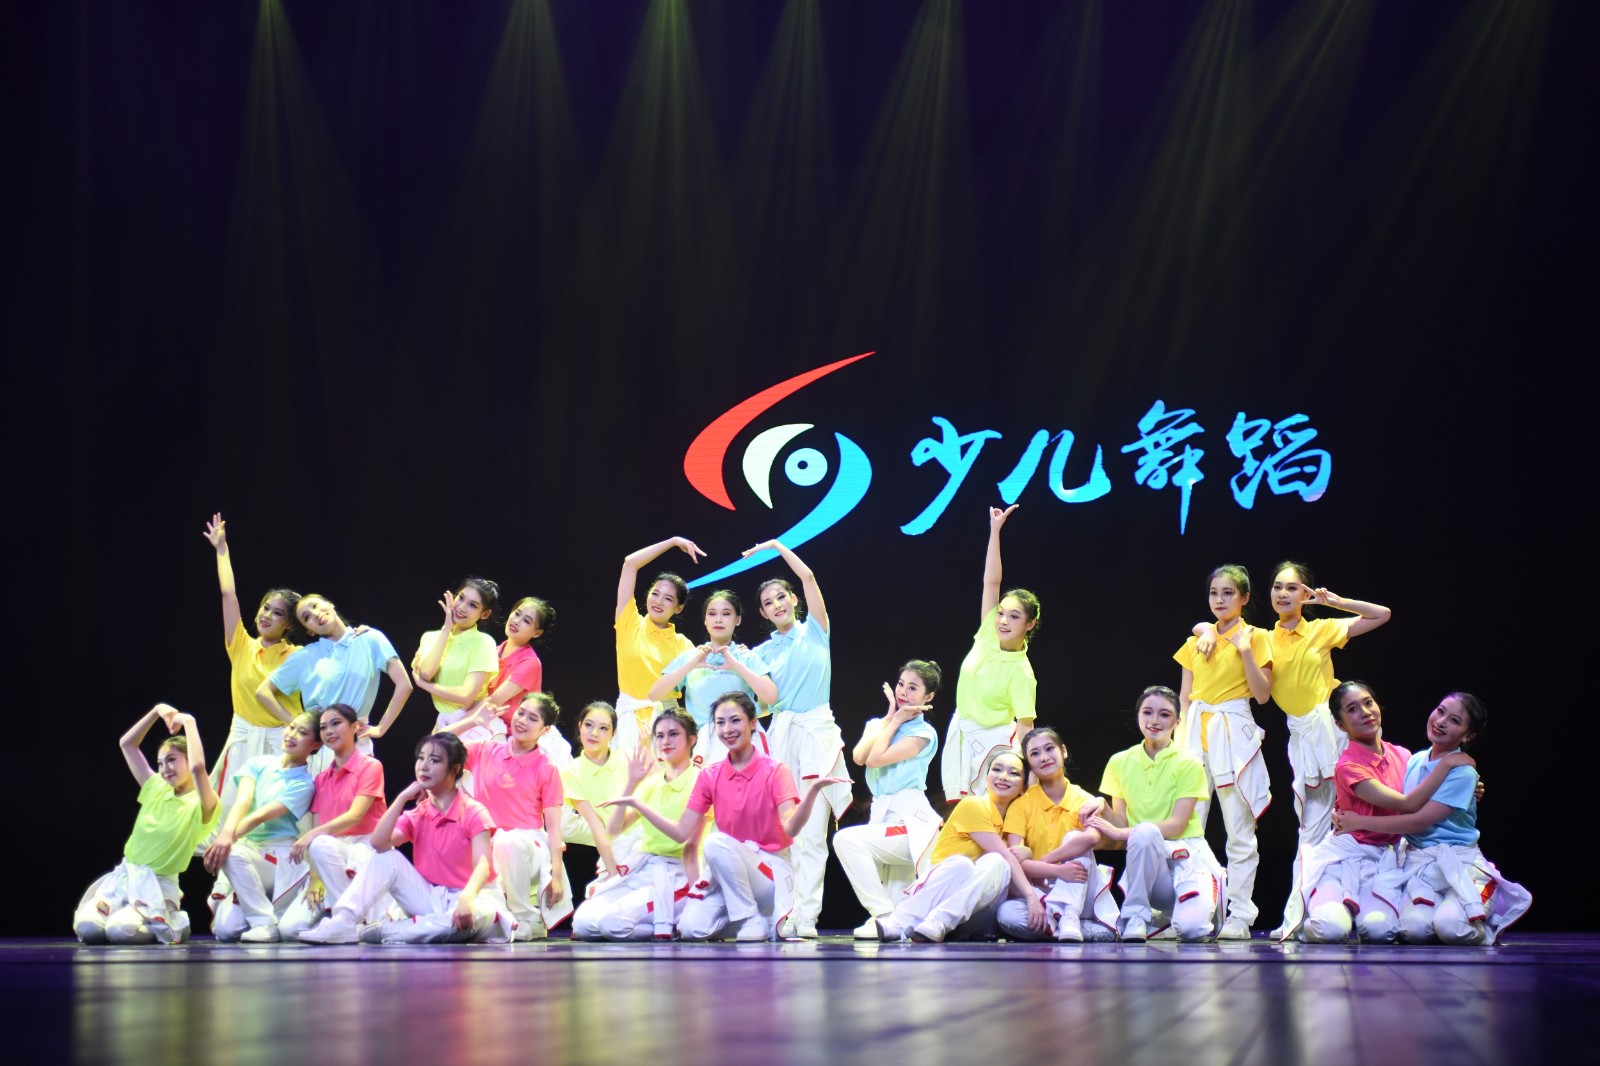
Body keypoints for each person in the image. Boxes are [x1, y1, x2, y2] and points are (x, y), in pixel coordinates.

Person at [1193, 562, 1391, 938]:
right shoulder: (1264, 638)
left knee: (1356, 815)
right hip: (1302, 738)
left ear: (1305, 594)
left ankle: (1370, 906)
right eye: (1277, 587)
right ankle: (1308, 915)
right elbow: (1217, 628)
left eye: (1292, 588)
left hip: (1333, 734)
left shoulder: (1321, 629)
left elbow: (1381, 614)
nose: (1283, 594)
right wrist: (1203, 628)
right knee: (1312, 825)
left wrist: (1335, 602)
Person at [603, 693, 843, 941]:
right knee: (692, 929)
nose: (727, 729)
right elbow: (681, 832)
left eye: (735, 720)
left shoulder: (775, 770)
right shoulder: (710, 775)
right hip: (731, 871)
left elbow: (791, 828)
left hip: (770, 872)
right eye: (720, 722)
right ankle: (760, 921)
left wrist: (812, 792)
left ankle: (751, 917)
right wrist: (638, 804)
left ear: (752, 723)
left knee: (716, 843)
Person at [1331, 691, 1531, 945]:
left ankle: (1484, 908)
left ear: (1468, 736)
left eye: (1454, 720)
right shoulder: (1414, 761)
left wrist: (1359, 821)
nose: (1441, 721)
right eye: (1440, 711)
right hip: (1420, 865)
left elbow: (1417, 821)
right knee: (1413, 931)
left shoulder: (1463, 772)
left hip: (1458, 862)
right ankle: (1447, 913)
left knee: (1451, 928)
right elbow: (1393, 796)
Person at [1299, 681, 1471, 943]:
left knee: (1380, 931)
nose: (1365, 712)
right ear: (1340, 725)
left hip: (1384, 862)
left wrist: (1469, 787)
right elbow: (1408, 804)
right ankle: (1313, 921)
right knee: (1331, 929)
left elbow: (1430, 791)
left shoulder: (1403, 756)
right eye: (1353, 709)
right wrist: (1448, 764)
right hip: (1345, 856)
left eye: (1368, 703)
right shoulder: (1348, 766)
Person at [298, 734, 512, 944]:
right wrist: (402, 798)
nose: (424, 766)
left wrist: (467, 898)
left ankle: (391, 930)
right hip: (434, 898)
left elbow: (483, 867)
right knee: (386, 858)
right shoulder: (418, 814)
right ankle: (344, 921)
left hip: (476, 896)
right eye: (421, 758)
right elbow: (378, 844)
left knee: (463, 921)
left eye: (434, 760)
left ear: (455, 769)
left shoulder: (473, 811)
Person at [747, 540, 853, 939]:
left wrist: (777, 546)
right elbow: (761, 706)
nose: (777, 604)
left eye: (781, 596)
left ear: (794, 599)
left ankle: (806, 916)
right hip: (781, 739)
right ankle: (785, 912)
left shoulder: (816, 632)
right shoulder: (761, 653)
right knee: (782, 835)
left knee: (811, 834)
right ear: (762, 613)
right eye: (768, 602)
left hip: (816, 736)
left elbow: (808, 575)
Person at [1173, 563, 1273, 939]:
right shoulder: (1196, 642)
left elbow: (1263, 695)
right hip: (1195, 738)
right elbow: (1185, 697)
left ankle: (1240, 915)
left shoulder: (1258, 637)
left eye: (1228, 593)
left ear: (1245, 598)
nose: (1219, 599)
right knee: (1187, 828)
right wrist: (1179, 745)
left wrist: (1244, 651)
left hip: (1233, 737)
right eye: (1214, 593)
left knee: (1240, 831)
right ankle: (1185, 908)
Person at [1086, 686, 1222, 942]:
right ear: (1138, 715)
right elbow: (1122, 824)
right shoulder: (1119, 761)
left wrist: (1122, 833)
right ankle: (1136, 916)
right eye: (1147, 712)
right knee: (1145, 833)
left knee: (1192, 931)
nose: (1154, 720)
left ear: (1177, 722)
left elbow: (1177, 825)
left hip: (1186, 855)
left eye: (1164, 714)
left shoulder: (1189, 763)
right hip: (1149, 859)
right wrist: (1101, 806)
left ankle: (1178, 912)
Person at [74, 705, 220, 944]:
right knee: (87, 927)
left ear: (187, 759)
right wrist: (156, 711)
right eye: (160, 763)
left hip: (157, 884)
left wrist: (189, 722)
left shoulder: (203, 802)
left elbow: (198, 768)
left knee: (120, 931)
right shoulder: (155, 787)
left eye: (171, 760)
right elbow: (127, 744)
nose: (165, 769)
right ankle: (136, 916)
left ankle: (173, 923)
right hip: (125, 876)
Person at [874, 750, 1043, 943]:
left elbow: (1013, 860)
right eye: (997, 769)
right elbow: (1007, 855)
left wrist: (1027, 851)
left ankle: (935, 922)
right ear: (986, 777)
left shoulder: (1016, 821)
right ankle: (900, 924)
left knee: (998, 863)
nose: (1003, 776)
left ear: (1023, 787)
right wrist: (1031, 897)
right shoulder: (974, 805)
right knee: (966, 864)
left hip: (978, 917)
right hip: (935, 905)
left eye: (1014, 773)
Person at [202, 513, 304, 817]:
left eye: (277, 613)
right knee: (228, 819)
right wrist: (222, 550)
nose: (267, 615)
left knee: (274, 824)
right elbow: (228, 595)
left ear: (289, 624)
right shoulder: (241, 645)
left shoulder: (297, 656)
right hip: (243, 743)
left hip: (281, 745)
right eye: (265, 608)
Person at [572, 709, 705, 940]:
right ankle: (657, 926)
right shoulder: (652, 783)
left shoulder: (700, 781)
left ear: (692, 739)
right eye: (660, 736)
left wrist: (697, 903)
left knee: (611, 924)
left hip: (676, 874)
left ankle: (671, 927)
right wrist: (632, 783)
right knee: (583, 924)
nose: (665, 741)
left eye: (673, 734)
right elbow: (614, 829)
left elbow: (686, 842)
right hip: (644, 868)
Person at [447, 694, 569, 940]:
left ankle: (525, 917)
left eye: (532, 718)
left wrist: (556, 876)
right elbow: (437, 744)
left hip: (529, 846)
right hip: (487, 845)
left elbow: (554, 828)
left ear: (545, 730)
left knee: (507, 841)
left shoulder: (546, 768)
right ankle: (507, 917)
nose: (522, 720)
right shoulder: (485, 750)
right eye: (521, 712)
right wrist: (473, 720)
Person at [836, 661, 944, 938]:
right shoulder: (878, 724)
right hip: (882, 812)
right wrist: (889, 718)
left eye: (913, 688)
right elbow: (859, 757)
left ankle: (883, 916)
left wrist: (896, 721)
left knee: (846, 840)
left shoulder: (923, 733)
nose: (903, 692)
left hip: (910, 819)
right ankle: (889, 918)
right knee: (899, 908)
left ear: (929, 696)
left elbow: (876, 759)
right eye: (901, 684)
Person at [942, 506, 1039, 802]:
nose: (1003, 621)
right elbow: (991, 582)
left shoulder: (1022, 673)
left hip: (995, 746)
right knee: (966, 810)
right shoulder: (988, 633)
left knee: (990, 811)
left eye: (1014, 616)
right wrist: (995, 531)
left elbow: (1026, 728)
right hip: (963, 734)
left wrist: (1032, 778)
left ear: (1030, 624)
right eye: (1001, 613)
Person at [205, 712, 320, 942]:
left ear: (315, 744)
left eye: (302, 732)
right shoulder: (258, 763)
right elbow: (243, 800)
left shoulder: (304, 783)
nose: (292, 735)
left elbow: (259, 816)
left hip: (278, 856)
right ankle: (262, 911)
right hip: (249, 852)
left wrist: (226, 841)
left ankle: (264, 923)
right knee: (225, 931)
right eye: (291, 727)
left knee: (232, 852)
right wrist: (225, 835)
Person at [278, 705, 390, 936]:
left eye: (336, 723)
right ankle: (345, 920)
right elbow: (318, 827)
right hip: (330, 855)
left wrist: (311, 836)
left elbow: (356, 815)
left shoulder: (370, 766)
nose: (329, 731)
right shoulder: (321, 779)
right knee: (289, 929)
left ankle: (346, 922)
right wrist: (315, 877)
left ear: (355, 727)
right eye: (323, 727)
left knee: (319, 841)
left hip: (366, 850)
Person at [998, 727, 1117, 942]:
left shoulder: (1084, 800)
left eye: (1049, 749)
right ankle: (1077, 929)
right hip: (1042, 891)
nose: (1043, 757)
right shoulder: (1021, 805)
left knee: (1075, 840)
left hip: (1080, 885)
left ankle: (1068, 918)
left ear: (1063, 751)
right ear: (1029, 763)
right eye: (1035, 753)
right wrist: (1057, 870)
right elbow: (1017, 862)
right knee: (1006, 915)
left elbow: (1091, 838)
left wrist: (1045, 861)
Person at [257, 593, 413, 748]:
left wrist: (381, 728)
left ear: (330, 604)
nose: (315, 614)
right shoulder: (304, 656)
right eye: (307, 617)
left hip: (357, 743)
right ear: (309, 631)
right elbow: (263, 692)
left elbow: (404, 685)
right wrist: (298, 725)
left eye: (315, 606)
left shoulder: (370, 639)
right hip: (320, 746)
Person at [649, 590, 777, 764]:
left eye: (726, 613)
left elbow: (771, 697)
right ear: (705, 620)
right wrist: (691, 665)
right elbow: (655, 694)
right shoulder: (691, 657)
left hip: (744, 742)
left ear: (738, 620)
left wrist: (737, 666)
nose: (718, 619)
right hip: (703, 746)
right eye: (712, 614)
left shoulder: (746, 658)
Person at [614, 537, 704, 751]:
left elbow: (700, 688)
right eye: (655, 594)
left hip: (666, 726)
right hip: (628, 722)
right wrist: (673, 542)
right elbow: (630, 563)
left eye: (668, 599)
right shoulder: (629, 623)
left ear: (679, 608)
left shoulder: (684, 645)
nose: (658, 601)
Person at [473, 595, 572, 763]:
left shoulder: (530, 663)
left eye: (526, 621)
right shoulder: (494, 651)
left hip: (516, 735)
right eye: (517, 613)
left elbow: (493, 701)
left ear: (537, 633)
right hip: (491, 724)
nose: (517, 621)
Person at [412, 578, 500, 737]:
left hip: (474, 721)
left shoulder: (484, 642)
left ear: (484, 614)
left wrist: (425, 686)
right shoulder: (431, 638)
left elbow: (466, 697)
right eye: (461, 598)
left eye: (473, 605)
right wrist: (446, 630)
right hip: (444, 720)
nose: (462, 607)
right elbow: (426, 673)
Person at [558, 701, 628, 896]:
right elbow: (596, 826)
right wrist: (612, 872)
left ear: (613, 733)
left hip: (648, 838)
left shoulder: (627, 759)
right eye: (588, 725)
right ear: (580, 725)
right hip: (616, 845)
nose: (594, 733)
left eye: (603, 728)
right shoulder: (571, 772)